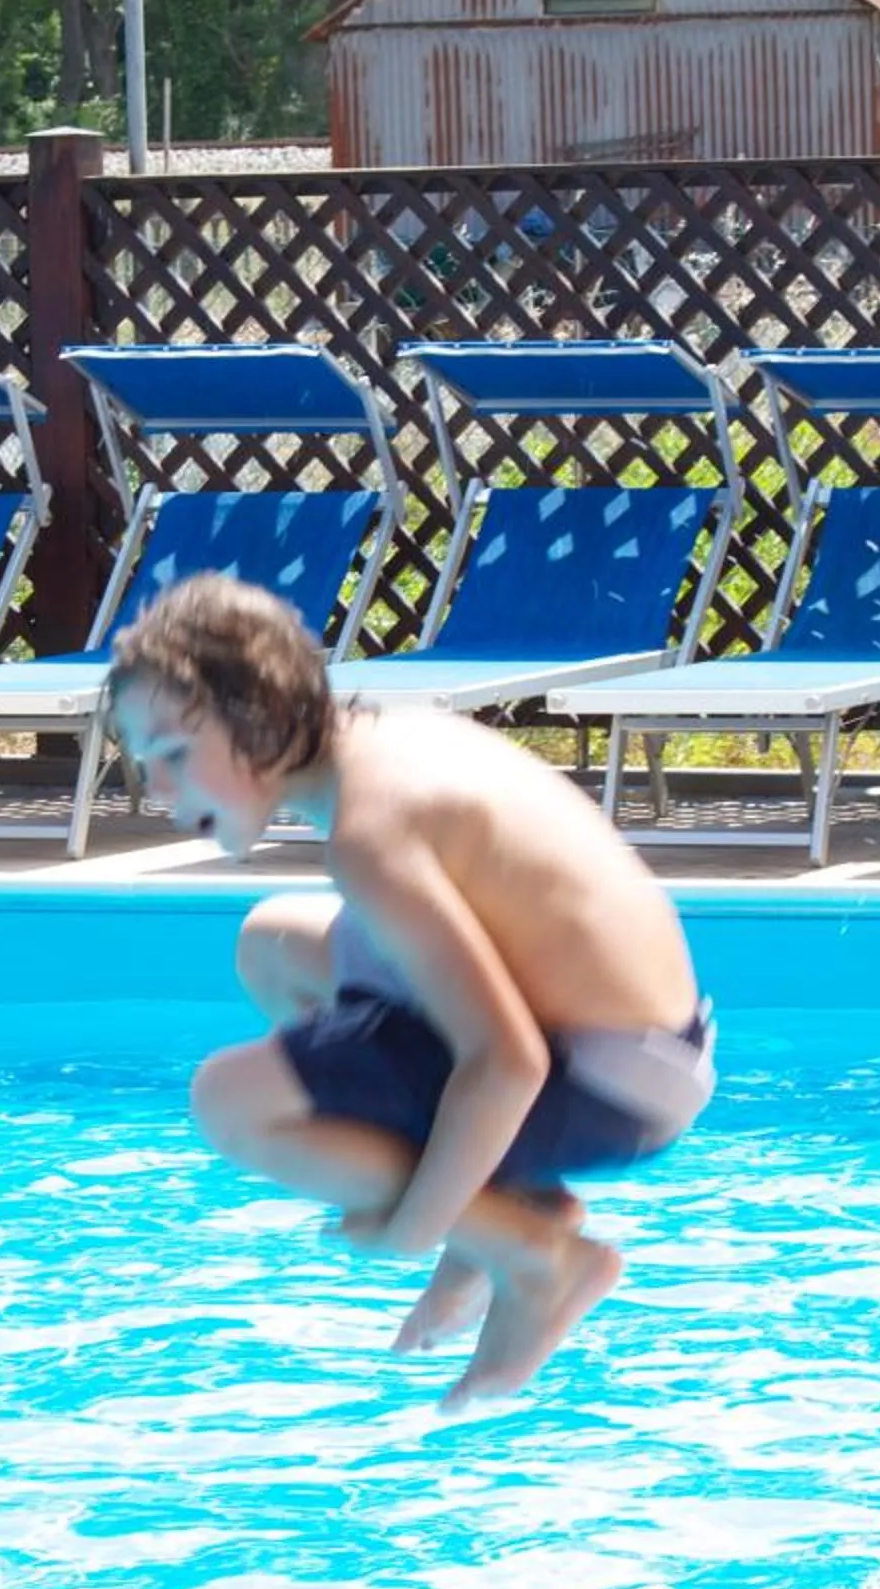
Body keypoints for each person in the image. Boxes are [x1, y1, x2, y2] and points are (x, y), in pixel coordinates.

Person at [105, 572, 714, 1412]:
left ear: (257, 711)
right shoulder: (390, 742)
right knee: (273, 945)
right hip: (651, 1051)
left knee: (230, 1099)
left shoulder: (370, 834)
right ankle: (510, 1207)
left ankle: (531, 1256)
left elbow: (505, 1060)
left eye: (174, 754)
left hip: (603, 1081)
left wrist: (416, 1229)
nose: (160, 792)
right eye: (147, 764)